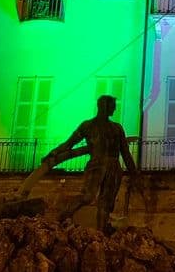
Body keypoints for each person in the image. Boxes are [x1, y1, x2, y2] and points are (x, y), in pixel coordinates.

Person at [44, 95, 141, 232]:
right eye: (112, 106)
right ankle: (61, 216)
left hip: (114, 167)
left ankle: (101, 232)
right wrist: (53, 153)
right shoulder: (88, 126)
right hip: (97, 164)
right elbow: (69, 144)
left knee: (106, 203)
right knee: (88, 196)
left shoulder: (117, 128)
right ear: (103, 106)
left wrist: (134, 174)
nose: (114, 109)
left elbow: (125, 153)